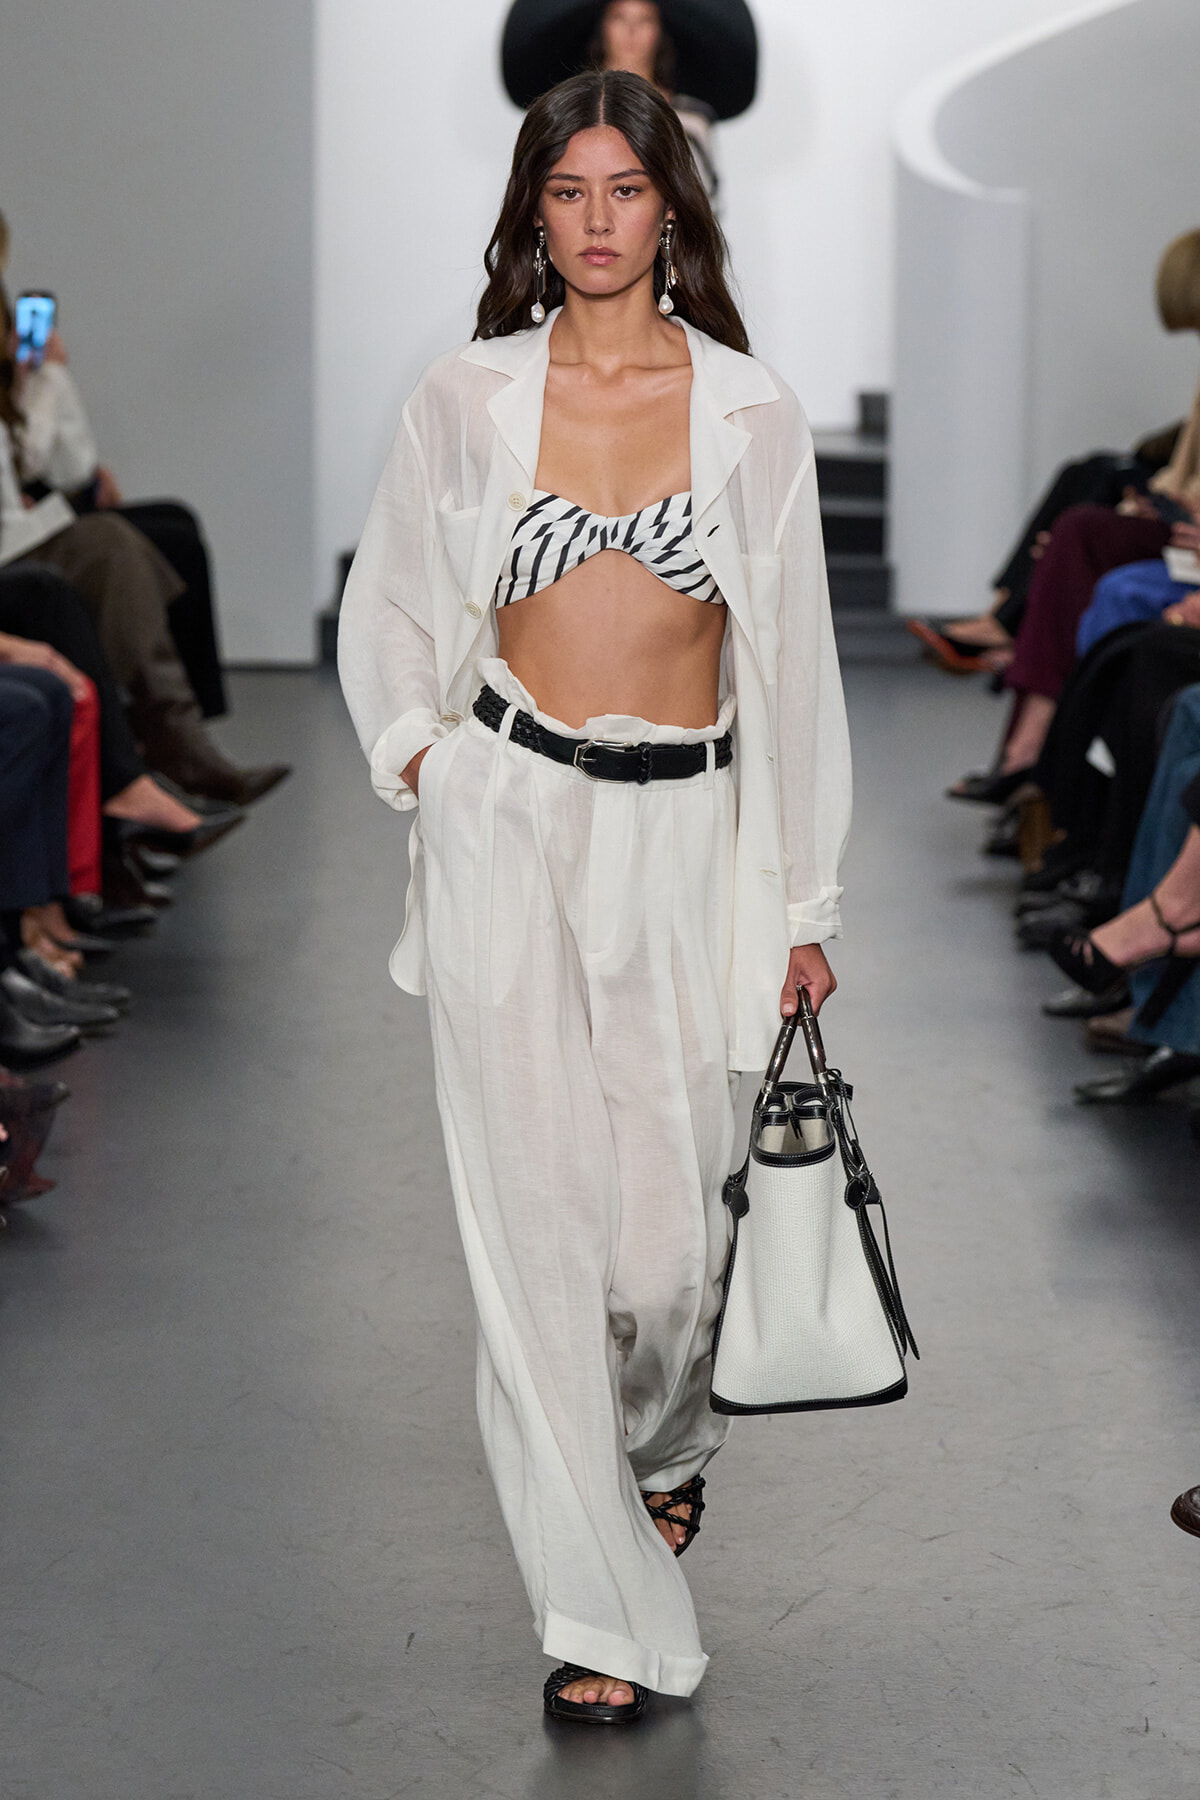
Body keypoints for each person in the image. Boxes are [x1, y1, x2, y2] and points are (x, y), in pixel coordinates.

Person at [339, 70, 848, 1722]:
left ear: (673, 208)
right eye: (568, 192)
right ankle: (601, 1613)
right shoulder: (465, 399)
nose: (599, 220)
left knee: (663, 1261)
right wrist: (429, 765)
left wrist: (804, 904)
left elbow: (801, 683)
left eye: (626, 188)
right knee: (535, 1241)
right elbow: (397, 608)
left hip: (684, 841)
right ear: (532, 215)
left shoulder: (749, 413)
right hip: (509, 819)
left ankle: (667, 1442)